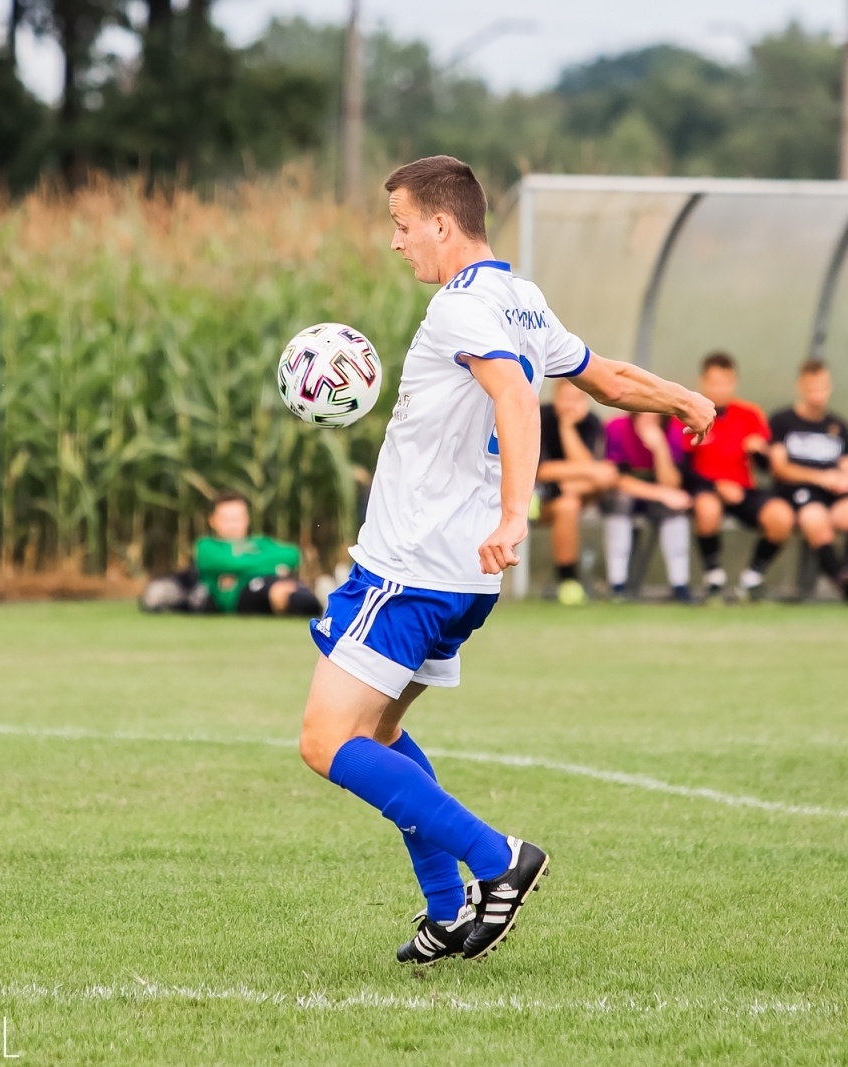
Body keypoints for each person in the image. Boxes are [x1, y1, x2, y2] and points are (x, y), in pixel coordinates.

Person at [297, 155, 714, 966]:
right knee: (380, 730)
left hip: (410, 568)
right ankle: (447, 910)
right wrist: (684, 398)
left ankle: (498, 859)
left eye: (402, 223)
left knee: (325, 741)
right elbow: (607, 379)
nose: (396, 242)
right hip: (464, 579)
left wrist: (513, 511)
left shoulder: (461, 309)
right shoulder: (520, 300)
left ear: (443, 224)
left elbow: (517, 399)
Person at [768, 360, 848, 603]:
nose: (817, 393)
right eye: (812, 387)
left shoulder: (839, 426)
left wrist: (844, 481)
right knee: (814, 518)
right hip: (798, 494)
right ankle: (844, 582)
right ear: (801, 386)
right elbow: (779, 468)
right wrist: (820, 477)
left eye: (822, 387)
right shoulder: (782, 420)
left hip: (834, 496)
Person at [684, 352, 794, 602]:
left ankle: (752, 580)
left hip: (744, 489)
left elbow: (767, 468)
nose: (720, 388)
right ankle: (714, 579)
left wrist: (761, 452)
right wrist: (716, 485)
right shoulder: (691, 413)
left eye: (726, 382)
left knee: (782, 517)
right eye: (714, 382)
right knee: (707, 509)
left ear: (734, 382)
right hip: (707, 488)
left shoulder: (750, 414)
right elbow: (684, 470)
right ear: (703, 382)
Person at [138, 490, 321, 617]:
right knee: (279, 593)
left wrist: (243, 563)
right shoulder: (208, 546)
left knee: (291, 590)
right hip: (241, 593)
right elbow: (229, 563)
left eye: (238, 518)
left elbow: (293, 555)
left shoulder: (261, 542)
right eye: (226, 519)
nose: (233, 525)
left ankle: (327, 598)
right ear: (213, 521)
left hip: (278, 582)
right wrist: (269, 565)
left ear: (247, 518)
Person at [536, 378, 618, 605]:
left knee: (603, 478)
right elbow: (542, 471)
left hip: (580, 495)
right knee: (569, 503)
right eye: (566, 398)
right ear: (556, 398)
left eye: (576, 399)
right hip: (538, 499)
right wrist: (589, 472)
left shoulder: (591, 423)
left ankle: (562, 490)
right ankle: (568, 581)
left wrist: (567, 427)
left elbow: (591, 471)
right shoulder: (540, 417)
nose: (571, 405)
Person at [602, 412, 693, 601]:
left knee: (676, 507)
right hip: (627, 496)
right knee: (620, 501)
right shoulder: (617, 427)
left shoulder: (675, 430)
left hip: (659, 496)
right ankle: (617, 584)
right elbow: (615, 479)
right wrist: (661, 493)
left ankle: (680, 584)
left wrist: (660, 448)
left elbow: (672, 484)